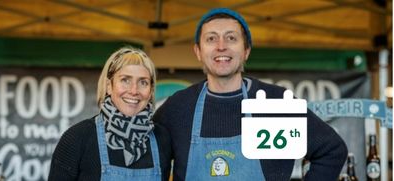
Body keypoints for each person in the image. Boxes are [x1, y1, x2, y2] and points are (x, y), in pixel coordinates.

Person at [153, 8, 347, 181]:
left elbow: (332, 150)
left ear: (246, 50)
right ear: (198, 51)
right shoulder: (177, 108)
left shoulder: (276, 103)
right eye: (211, 38)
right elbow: (151, 167)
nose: (221, 46)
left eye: (231, 38)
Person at [49, 47, 171, 181]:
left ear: (151, 91)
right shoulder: (77, 138)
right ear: (108, 86)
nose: (134, 90)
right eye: (125, 80)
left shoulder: (162, 140)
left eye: (143, 82)